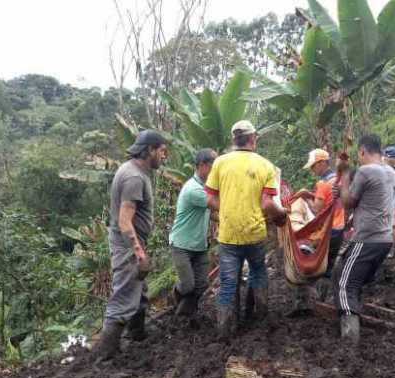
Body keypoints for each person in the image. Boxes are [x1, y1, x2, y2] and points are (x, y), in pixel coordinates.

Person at [205, 120, 287, 340]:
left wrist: (229, 208)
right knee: (258, 273)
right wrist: (281, 215)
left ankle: (225, 330)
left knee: (228, 281)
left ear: (234, 140)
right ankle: (260, 322)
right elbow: (268, 204)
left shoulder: (220, 163)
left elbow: (210, 199)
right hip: (255, 234)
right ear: (253, 139)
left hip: (229, 235)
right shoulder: (265, 165)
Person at [97, 130, 168, 360]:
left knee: (139, 291)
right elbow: (124, 220)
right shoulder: (134, 177)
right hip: (128, 245)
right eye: (161, 151)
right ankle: (105, 355)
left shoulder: (133, 170)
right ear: (149, 150)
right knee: (125, 295)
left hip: (132, 241)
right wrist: (138, 252)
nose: (164, 156)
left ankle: (137, 334)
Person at [333, 134, 395, 343]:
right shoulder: (391, 173)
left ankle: (350, 338)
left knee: (344, 284)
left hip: (367, 238)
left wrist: (346, 173)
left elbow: (348, 202)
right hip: (385, 239)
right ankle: (353, 314)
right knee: (343, 271)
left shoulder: (366, 171)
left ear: (363, 151)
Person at [169, 149, 217, 320]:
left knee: (202, 285)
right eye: (214, 166)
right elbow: (218, 205)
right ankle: (176, 293)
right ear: (203, 165)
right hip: (182, 246)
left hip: (200, 246)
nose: (216, 171)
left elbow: (211, 213)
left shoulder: (204, 188)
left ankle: (185, 314)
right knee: (188, 285)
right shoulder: (193, 189)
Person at [301, 149, 345, 277]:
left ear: (321, 163)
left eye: (313, 166)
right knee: (330, 265)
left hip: (328, 231)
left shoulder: (323, 183)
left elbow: (316, 209)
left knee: (320, 266)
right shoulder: (338, 179)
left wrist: (306, 197)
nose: (312, 170)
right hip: (340, 228)